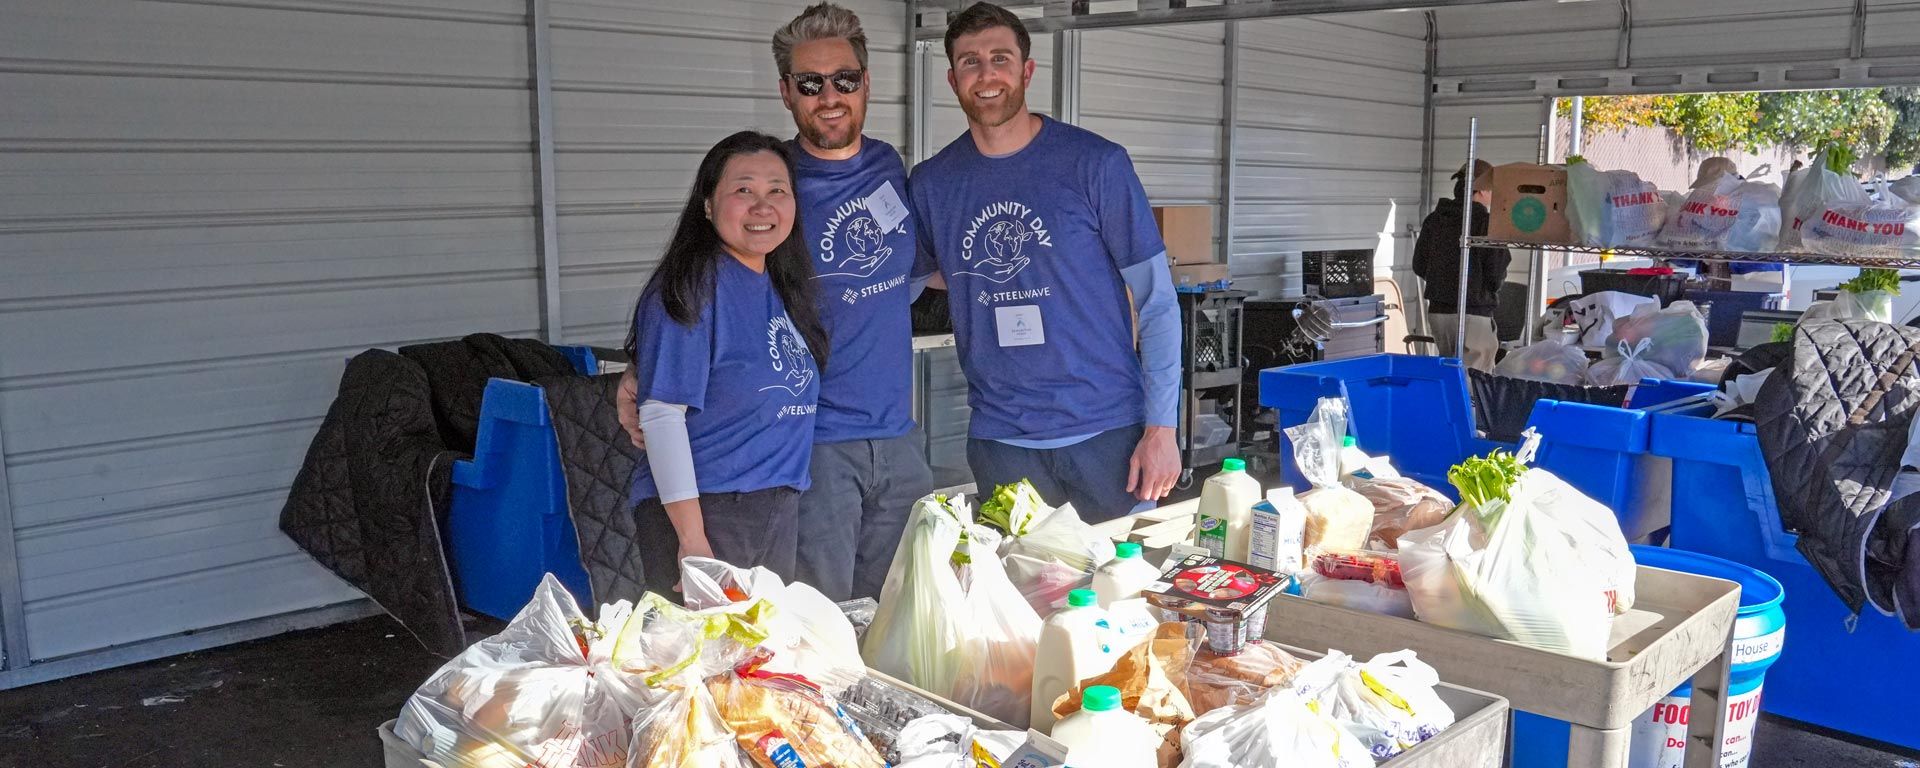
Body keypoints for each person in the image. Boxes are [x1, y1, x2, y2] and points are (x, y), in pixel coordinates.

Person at [620, 3, 931, 602]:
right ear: (787, 92)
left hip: (898, 438)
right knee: (816, 622)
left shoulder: (889, 167)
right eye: (810, 84)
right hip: (810, 446)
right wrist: (644, 370)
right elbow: (699, 299)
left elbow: (909, 277)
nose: (830, 97)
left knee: (892, 613)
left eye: (844, 79)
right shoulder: (772, 177)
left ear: (867, 83)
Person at [906, 2, 1181, 523]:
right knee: (1020, 594)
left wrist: (1161, 428)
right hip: (1001, 441)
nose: (986, 75)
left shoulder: (1096, 164)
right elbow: (913, 281)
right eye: (970, 62)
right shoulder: (932, 183)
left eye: (1000, 59)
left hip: (1108, 435)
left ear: (1027, 71)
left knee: (1123, 593)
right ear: (951, 78)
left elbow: (1158, 301)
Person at [623, 130, 830, 595]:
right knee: (709, 661)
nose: (763, 206)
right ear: (709, 206)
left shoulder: (778, 284)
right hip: (712, 513)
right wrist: (692, 539)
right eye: (743, 190)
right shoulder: (691, 288)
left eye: (777, 190)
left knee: (756, 659)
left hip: (771, 506)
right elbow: (661, 414)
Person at [1413, 159, 1511, 372]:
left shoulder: (1435, 219)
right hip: (1473, 314)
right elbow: (1495, 273)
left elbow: (1419, 265)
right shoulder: (1488, 223)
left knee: (1449, 375)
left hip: (1439, 312)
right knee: (1474, 382)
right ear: (1482, 191)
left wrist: (1443, 280)